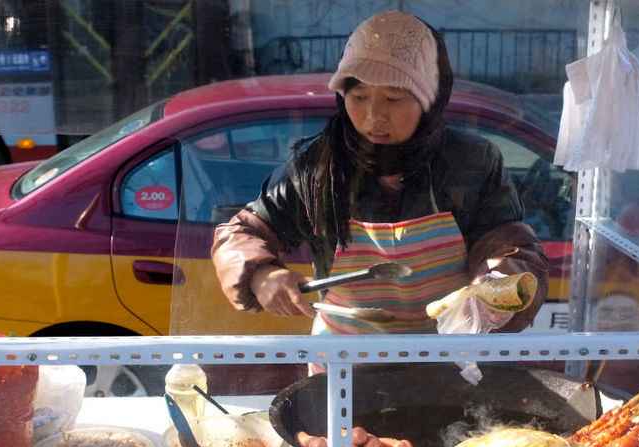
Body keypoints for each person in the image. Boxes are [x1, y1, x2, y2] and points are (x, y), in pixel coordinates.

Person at [212, 11, 548, 338]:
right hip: (344, 367)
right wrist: (261, 274)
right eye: (358, 97)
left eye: (394, 98)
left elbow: (510, 247)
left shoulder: (471, 162)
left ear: (430, 100)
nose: (374, 116)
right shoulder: (316, 167)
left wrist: (498, 282)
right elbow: (239, 234)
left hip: (445, 359)